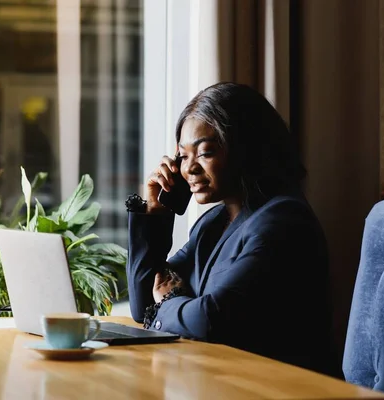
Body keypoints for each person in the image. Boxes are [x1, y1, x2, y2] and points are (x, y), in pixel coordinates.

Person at [125, 82, 338, 377]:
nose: (189, 169)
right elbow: (144, 304)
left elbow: (212, 320)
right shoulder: (213, 223)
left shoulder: (284, 222)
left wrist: (171, 301)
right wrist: (155, 211)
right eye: (183, 156)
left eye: (205, 152)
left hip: (277, 389)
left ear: (246, 148)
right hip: (220, 380)